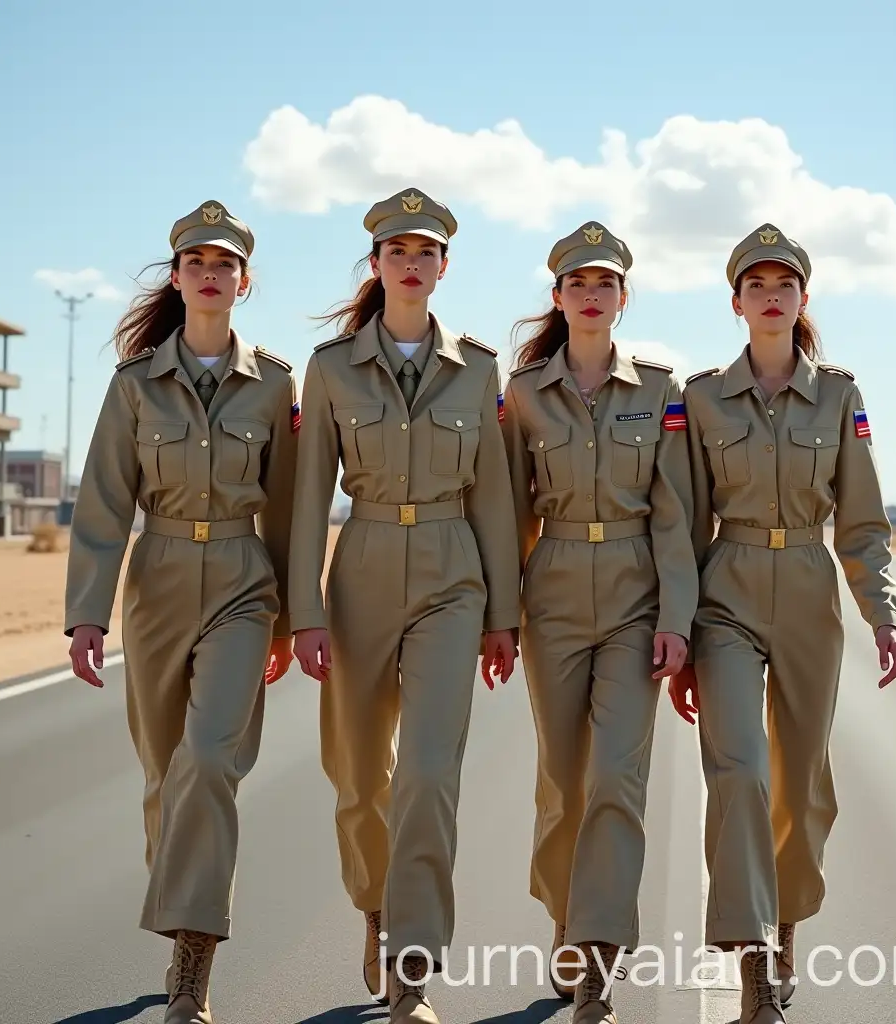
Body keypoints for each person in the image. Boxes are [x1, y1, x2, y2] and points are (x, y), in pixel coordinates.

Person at [287, 187, 520, 1024]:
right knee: (358, 774)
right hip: (362, 571)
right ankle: (376, 908)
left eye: (427, 252)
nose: (412, 263)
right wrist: (304, 611)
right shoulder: (329, 367)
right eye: (398, 251)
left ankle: (412, 965)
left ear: (445, 267)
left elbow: (494, 497)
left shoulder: (480, 369)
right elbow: (308, 497)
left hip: (454, 576)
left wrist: (503, 615)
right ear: (377, 264)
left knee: (427, 771)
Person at [64, 200, 299, 1024]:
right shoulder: (134, 384)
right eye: (196, 262)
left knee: (208, 760)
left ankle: (194, 959)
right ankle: (180, 908)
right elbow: (103, 504)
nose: (210, 273)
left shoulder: (275, 384)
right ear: (177, 277)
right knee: (166, 775)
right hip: (157, 581)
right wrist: (86, 615)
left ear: (244, 281)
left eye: (225, 263)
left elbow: (288, 510)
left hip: (241, 580)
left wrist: (288, 619)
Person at [667, 224, 896, 1024]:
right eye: (756, 285)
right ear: (735, 302)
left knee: (801, 789)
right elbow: (684, 525)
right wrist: (679, 632)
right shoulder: (701, 397)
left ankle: (786, 938)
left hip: (808, 589)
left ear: (803, 298)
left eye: (785, 285)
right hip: (727, 591)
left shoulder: (838, 396)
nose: (771, 296)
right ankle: (754, 963)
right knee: (740, 773)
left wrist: (883, 615)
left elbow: (863, 522)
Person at [500, 222, 700, 1024]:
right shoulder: (523, 393)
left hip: (634, 596)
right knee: (563, 780)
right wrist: (502, 616)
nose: (591, 295)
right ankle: (565, 916)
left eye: (605, 283)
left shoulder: (659, 388)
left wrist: (677, 616)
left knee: (618, 777)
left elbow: (675, 513)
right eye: (577, 283)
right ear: (557, 297)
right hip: (550, 592)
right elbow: (508, 514)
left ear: (623, 298)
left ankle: (597, 957)